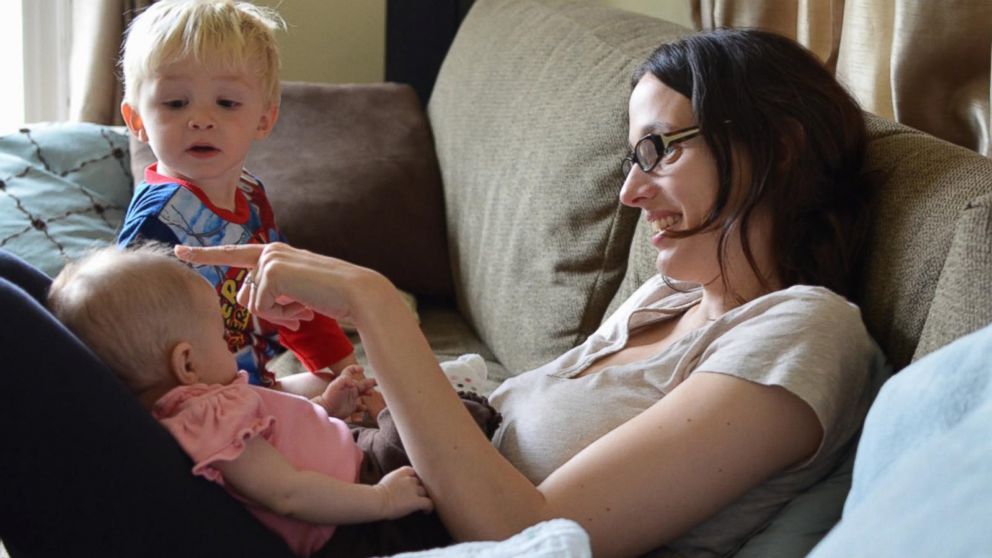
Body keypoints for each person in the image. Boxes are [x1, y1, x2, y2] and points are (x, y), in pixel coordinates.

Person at [173, 28, 888, 557]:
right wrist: (341, 385)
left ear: (781, 145)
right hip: (335, 487)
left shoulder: (805, 332)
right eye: (631, 157)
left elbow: (534, 539)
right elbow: (475, 432)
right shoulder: (669, 299)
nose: (630, 191)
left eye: (658, 150)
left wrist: (378, 309)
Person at [45, 245, 502, 557]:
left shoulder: (205, 404)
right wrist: (382, 500)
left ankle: (466, 407)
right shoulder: (208, 418)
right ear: (186, 363)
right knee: (432, 428)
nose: (231, 349)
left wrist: (326, 405)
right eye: (221, 339)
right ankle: (474, 412)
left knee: (407, 419)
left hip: (352, 463)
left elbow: (280, 433)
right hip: (355, 514)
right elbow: (287, 493)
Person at [115, 0, 365, 404]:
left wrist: (348, 369)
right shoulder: (158, 217)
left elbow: (290, 291)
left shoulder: (251, 197)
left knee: (351, 389)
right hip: (186, 400)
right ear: (138, 121)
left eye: (226, 103)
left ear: (264, 119)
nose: (200, 119)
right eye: (175, 103)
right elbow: (124, 333)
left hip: (248, 383)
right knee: (311, 420)